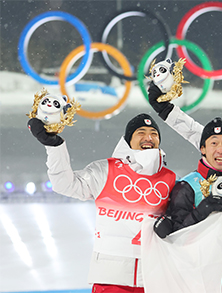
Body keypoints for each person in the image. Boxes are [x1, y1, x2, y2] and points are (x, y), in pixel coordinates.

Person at [27, 113, 176, 292]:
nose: (149, 138)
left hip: (154, 279)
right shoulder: (105, 170)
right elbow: (64, 184)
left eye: (154, 133)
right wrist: (54, 147)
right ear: (128, 140)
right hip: (110, 278)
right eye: (141, 132)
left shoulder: (169, 178)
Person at [153, 117, 222, 238]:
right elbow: (176, 236)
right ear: (203, 149)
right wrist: (200, 213)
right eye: (214, 143)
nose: (220, 149)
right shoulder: (187, 186)